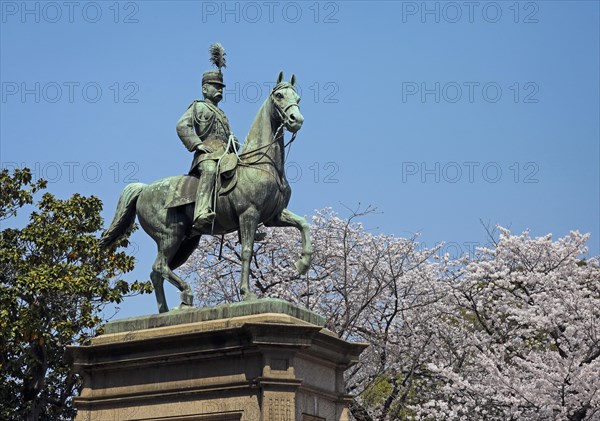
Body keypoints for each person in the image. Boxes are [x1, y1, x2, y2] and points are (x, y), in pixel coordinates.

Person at [176, 67, 238, 231]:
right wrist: (198, 144)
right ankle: (201, 212)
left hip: (225, 155)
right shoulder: (198, 107)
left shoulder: (223, 114)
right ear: (204, 88)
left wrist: (233, 142)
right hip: (207, 156)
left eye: (221, 87)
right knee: (210, 169)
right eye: (215, 86)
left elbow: (225, 137)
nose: (219, 90)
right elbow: (182, 126)